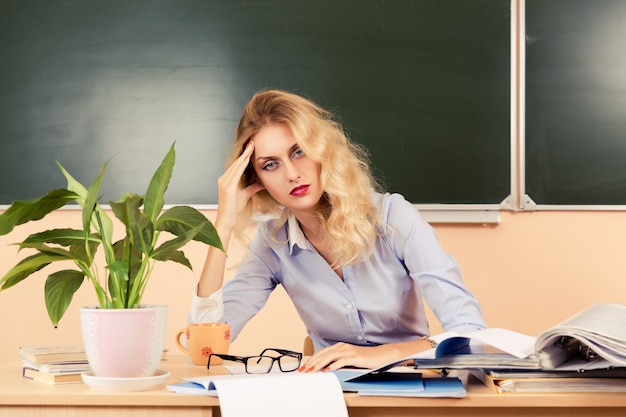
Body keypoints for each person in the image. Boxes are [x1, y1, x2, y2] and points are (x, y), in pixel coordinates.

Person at [190, 89, 486, 372]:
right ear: (256, 180)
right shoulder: (273, 242)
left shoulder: (393, 217)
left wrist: (379, 356)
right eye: (270, 165)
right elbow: (207, 348)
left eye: (299, 152)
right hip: (331, 394)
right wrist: (223, 224)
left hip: (408, 389)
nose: (292, 174)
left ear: (322, 150)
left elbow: (470, 332)